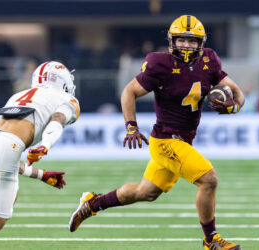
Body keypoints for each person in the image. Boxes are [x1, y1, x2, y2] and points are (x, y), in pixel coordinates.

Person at [69, 15, 244, 250]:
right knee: (209, 180)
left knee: (146, 192)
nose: (187, 46)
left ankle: (93, 203)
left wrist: (234, 106)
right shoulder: (159, 63)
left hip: (183, 141)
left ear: (201, 43)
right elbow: (128, 92)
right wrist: (131, 126)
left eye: (192, 41)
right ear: (172, 41)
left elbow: (236, 91)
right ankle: (211, 240)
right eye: (182, 40)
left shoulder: (209, 60)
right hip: (165, 141)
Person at [0, 61, 80, 232]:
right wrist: (46, 145)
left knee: (13, 194)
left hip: (3, 146)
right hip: (7, 147)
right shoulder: (66, 98)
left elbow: (5, 157)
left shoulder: (19, 95)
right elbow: (57, 119)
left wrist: (41, 175)